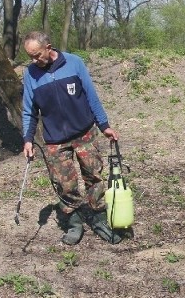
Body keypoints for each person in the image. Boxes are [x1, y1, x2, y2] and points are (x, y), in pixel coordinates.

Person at [22, 31, 121, 245]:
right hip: (55, 140)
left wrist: (105, 125)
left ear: (49, 47)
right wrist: (28, 139)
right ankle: (74, 223)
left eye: (37, 55)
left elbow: (91, 96)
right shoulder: (30, 74)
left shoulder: (74, 63)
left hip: (84, 132)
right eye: (30, 56)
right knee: (64, 184)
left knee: (94, 177)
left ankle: (99, 219)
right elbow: (29, 111)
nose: (34, 60)